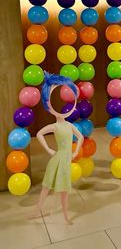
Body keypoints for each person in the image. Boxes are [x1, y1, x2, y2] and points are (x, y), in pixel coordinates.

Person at [28, 72, 84, 224]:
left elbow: (80, 137)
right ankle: (37, 211)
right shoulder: (54, 126)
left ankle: (66, 215)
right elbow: (39, 134)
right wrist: (49, 150)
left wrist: (76, 151)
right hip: (58, 159)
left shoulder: (69, 125)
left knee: (64, 190)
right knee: (47, 187)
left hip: (66, 160)